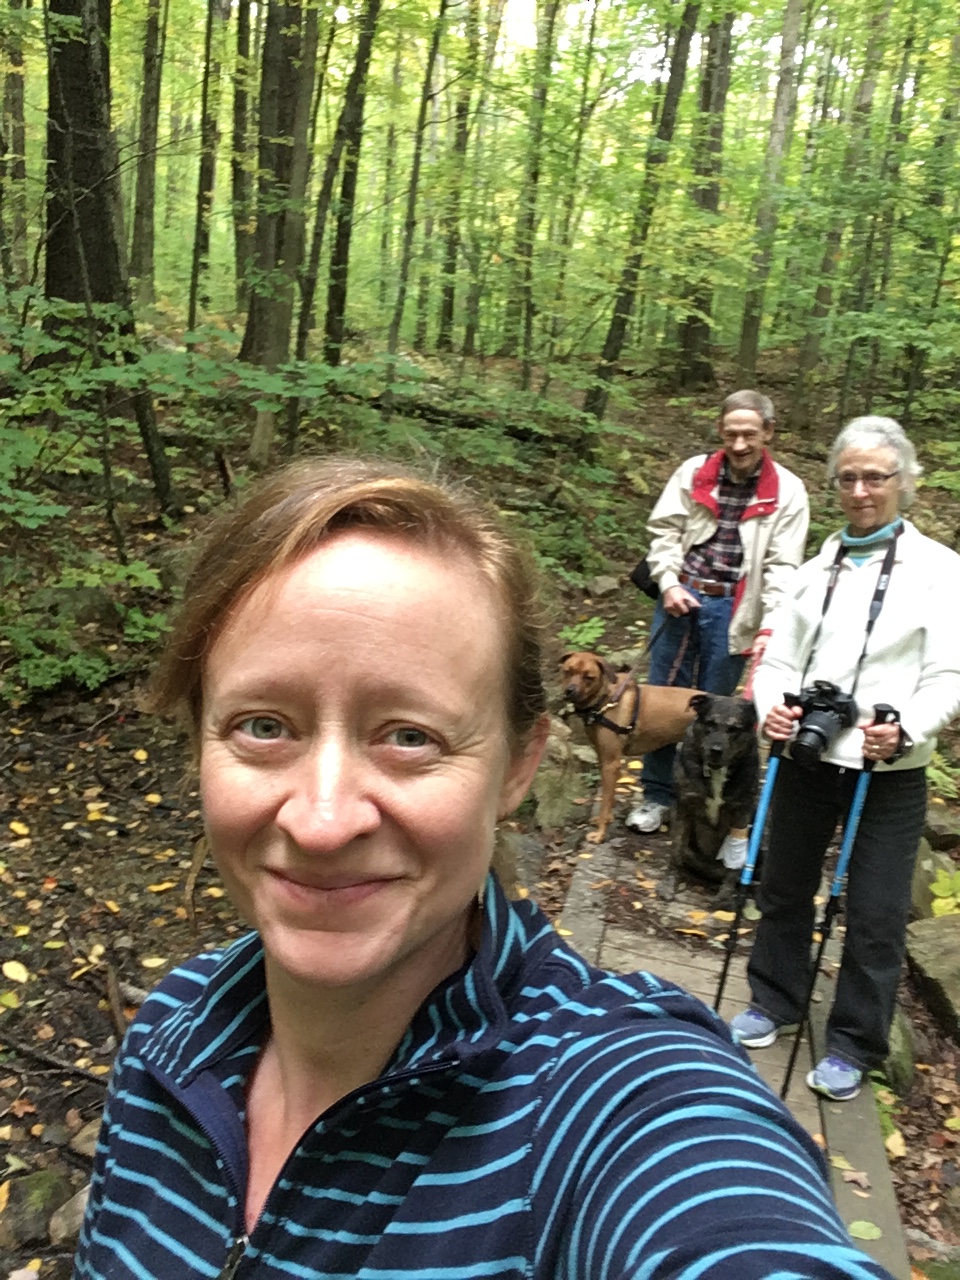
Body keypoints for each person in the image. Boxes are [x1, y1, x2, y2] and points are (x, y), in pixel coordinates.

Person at [75, 457, 894, 1279]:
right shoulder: (164, 1041)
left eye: (410, 737)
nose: (322, 823)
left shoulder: (617, 1094)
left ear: (517, 766)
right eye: (262, 725)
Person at [731, 416, 960, 1102]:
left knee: (877, 910)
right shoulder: (814, 570)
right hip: (807, 754)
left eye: (876, 477)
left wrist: (906, 729)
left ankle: (856, 1040)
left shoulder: (940, 571)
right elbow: (780, 660)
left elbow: (947, 675)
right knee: (784, 886)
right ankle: (774, 999)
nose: (861, 491)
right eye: (849, 478)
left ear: (904, 483)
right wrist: (772, 706)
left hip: (889, 771)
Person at [628, 390, 809, 845]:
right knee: (663, 699)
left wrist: (770, 625)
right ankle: (657, 795)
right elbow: (665, 531)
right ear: (720, 431)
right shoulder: (695, 472)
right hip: (681, 596)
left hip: (736, 608)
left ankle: (713, 801)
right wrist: (668, 581)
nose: (739, 444)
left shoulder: (787, 491)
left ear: (768, 432)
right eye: (731, 434)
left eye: (749, 434)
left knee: (720, 710)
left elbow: (783, 566)